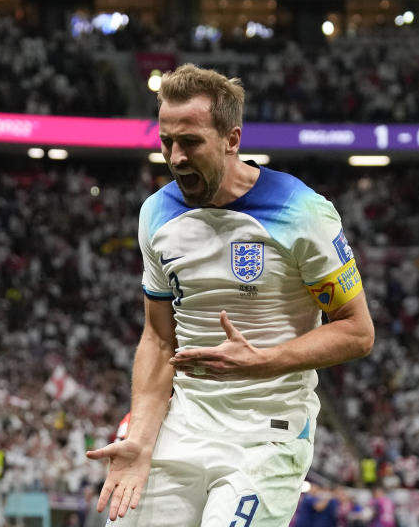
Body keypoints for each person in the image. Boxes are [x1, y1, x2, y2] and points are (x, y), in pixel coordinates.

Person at [86, 64, 374, 526]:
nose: (176, 157)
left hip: (267, 435)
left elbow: (357, 332)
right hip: (183, 427)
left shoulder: (302, 213)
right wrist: (140, 437)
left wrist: (262, 361)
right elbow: (160, 340)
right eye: (166, 142)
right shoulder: (156, 215)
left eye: (191, 142)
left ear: (231, 139)